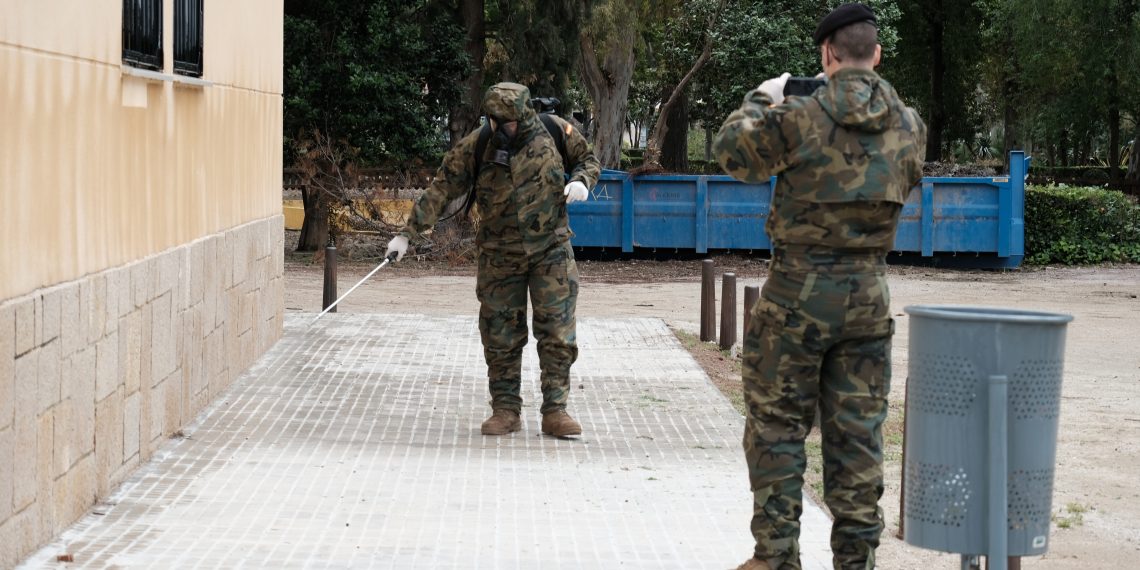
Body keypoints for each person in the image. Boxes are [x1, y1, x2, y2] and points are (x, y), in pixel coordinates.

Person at [713, 4, 927, 569]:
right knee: (858, 439)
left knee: (777, 429)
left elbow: (732, 153)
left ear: (826, 53)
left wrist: (765, 96)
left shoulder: (800, 116)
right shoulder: (910, 124)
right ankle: (857, 563)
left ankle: (776, 557)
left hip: (796, 298)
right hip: (868, 299)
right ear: (876, 54)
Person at [386, 82, 601, 437]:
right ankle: (505, 408)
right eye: (496, 121)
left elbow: (588, 158)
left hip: (551, 250)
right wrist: (407, 234)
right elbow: (443, 186)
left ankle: (555, 410)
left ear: (524, 115)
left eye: (509, 121)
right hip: (499, 255)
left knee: (557, 332)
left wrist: (582, 181)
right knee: (500, 333)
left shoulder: (554, 130)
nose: (503, 128)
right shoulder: (481, 142)